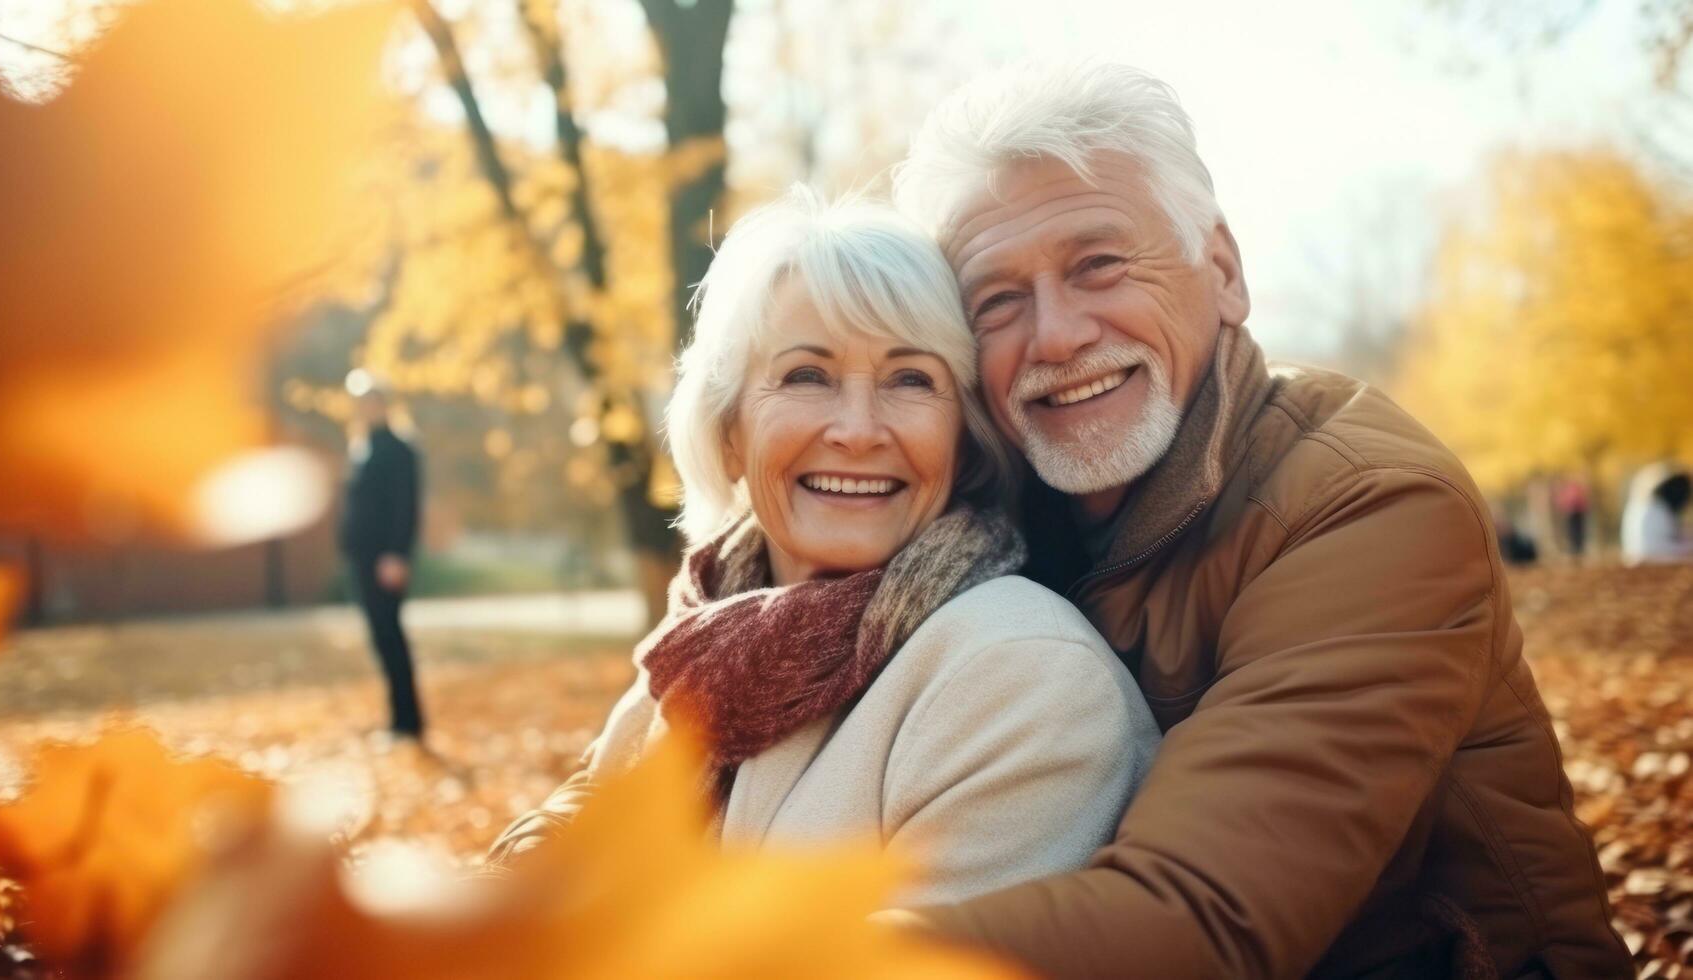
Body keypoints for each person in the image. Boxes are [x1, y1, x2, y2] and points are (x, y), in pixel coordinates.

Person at [885, 60, 1630, 978]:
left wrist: (769, 950)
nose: (1055, 335)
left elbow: (1201, 924)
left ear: (1224, 273)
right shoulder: (983, 526)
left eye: (1100, 265)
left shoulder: (1368, 505)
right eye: (996, 301)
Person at [487, 191, 1160, 905]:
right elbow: (575, 835)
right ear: (728, 430)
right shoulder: (708, 635)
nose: (859, 430)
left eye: (911, 380)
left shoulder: (1022, 676)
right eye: (807, 376)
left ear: (963, 441)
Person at [340, 370, 426, 740]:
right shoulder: (363, 447)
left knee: (390, 636)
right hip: (363, 559)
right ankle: (398, 719)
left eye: (373, 401)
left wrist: (396, 554)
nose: (367, 408)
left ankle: (408, 722)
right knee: (381, 638)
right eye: (361, 402)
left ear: (385, 404)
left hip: (384, 560)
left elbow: (406, 507)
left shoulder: (400, 448)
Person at [1621, 463, 1692, 565]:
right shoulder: (1658, 508)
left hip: (1635, 555)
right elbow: (1666, 541)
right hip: (1656, 555)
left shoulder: (1644, 504)